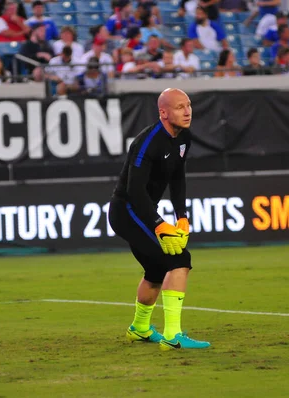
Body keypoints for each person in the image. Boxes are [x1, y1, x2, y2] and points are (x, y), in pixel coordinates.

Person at [108, 88, 210, 351]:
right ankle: (173, 335)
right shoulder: (147, 142)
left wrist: (181, 216)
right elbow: (134, 192)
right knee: (179, 259)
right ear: (163, 112)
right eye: (179, 107)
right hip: (127, 212)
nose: (187, 111)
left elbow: (177, 178)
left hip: (143, 211)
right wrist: (159, 224)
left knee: (156, 270)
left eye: (188, 105)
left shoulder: (184, 137)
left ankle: (140, 330)